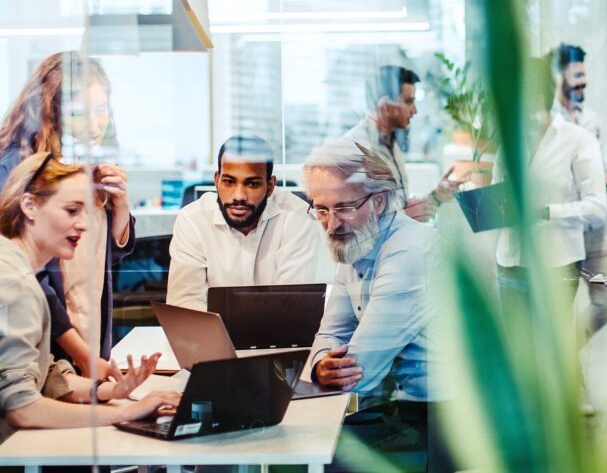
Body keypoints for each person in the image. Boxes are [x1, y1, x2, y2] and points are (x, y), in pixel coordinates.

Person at [0, 154, 180, 473]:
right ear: (29, 207)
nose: (84, 224)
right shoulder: (7, 281)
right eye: (71, 210)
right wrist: (128, 411)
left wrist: (110, 390)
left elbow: (30, 370)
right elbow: (23, 409)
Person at [0, 51, 135, 379]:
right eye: (79, 113)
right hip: (46, 343)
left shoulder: (88, 164)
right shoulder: (17, 167)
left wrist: (122, 207)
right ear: (51, 111)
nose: (94, 125)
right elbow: (26, 272)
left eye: (101, 111)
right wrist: (80, 354)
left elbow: (105, 257)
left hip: (89, 338)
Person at [302, 138, 447, 472]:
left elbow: (359, 371)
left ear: (379, 201)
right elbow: (329, 334)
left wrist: (324, 369)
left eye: (343, 207)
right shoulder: (356, 242)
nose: (331, 223)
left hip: (440, 421)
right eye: (321, 209)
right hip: (395, 407)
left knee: (316, 456)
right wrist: (319, 365)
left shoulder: (409, 251)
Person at [494, 56, 607, 318]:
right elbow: (497, 196)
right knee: (515, 352)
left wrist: (546, 211)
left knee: (547, 355)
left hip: (557, 265)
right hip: (509, 262)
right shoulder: (507, 144)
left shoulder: (578, 140)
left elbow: (597, 207)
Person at [166, 135, 332, 310]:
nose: (239, 196)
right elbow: (184, 306)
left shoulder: (298, 217)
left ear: (270, 186)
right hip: (210, 335)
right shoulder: (192, 219)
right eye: (229, 182)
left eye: (252, 184)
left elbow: (292, 306)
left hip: (281, 337)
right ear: (216, 181)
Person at [344, 65, 461, 222]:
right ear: (385, 106)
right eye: (408, 102)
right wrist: (404, 217)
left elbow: (398, 208)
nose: (415, 110)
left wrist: (436, 196)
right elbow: (349, 223)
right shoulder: (354, 149)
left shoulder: (391, 145)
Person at [552, 43, 607, 332]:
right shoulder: (548, 122)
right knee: (558, 312)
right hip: (562, 229)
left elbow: (602, 166)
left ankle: (573, 348)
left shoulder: (592, 120)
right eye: (576, 75)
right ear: (559, 76)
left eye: (584, 75)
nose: (583, 82)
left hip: (593, 228)